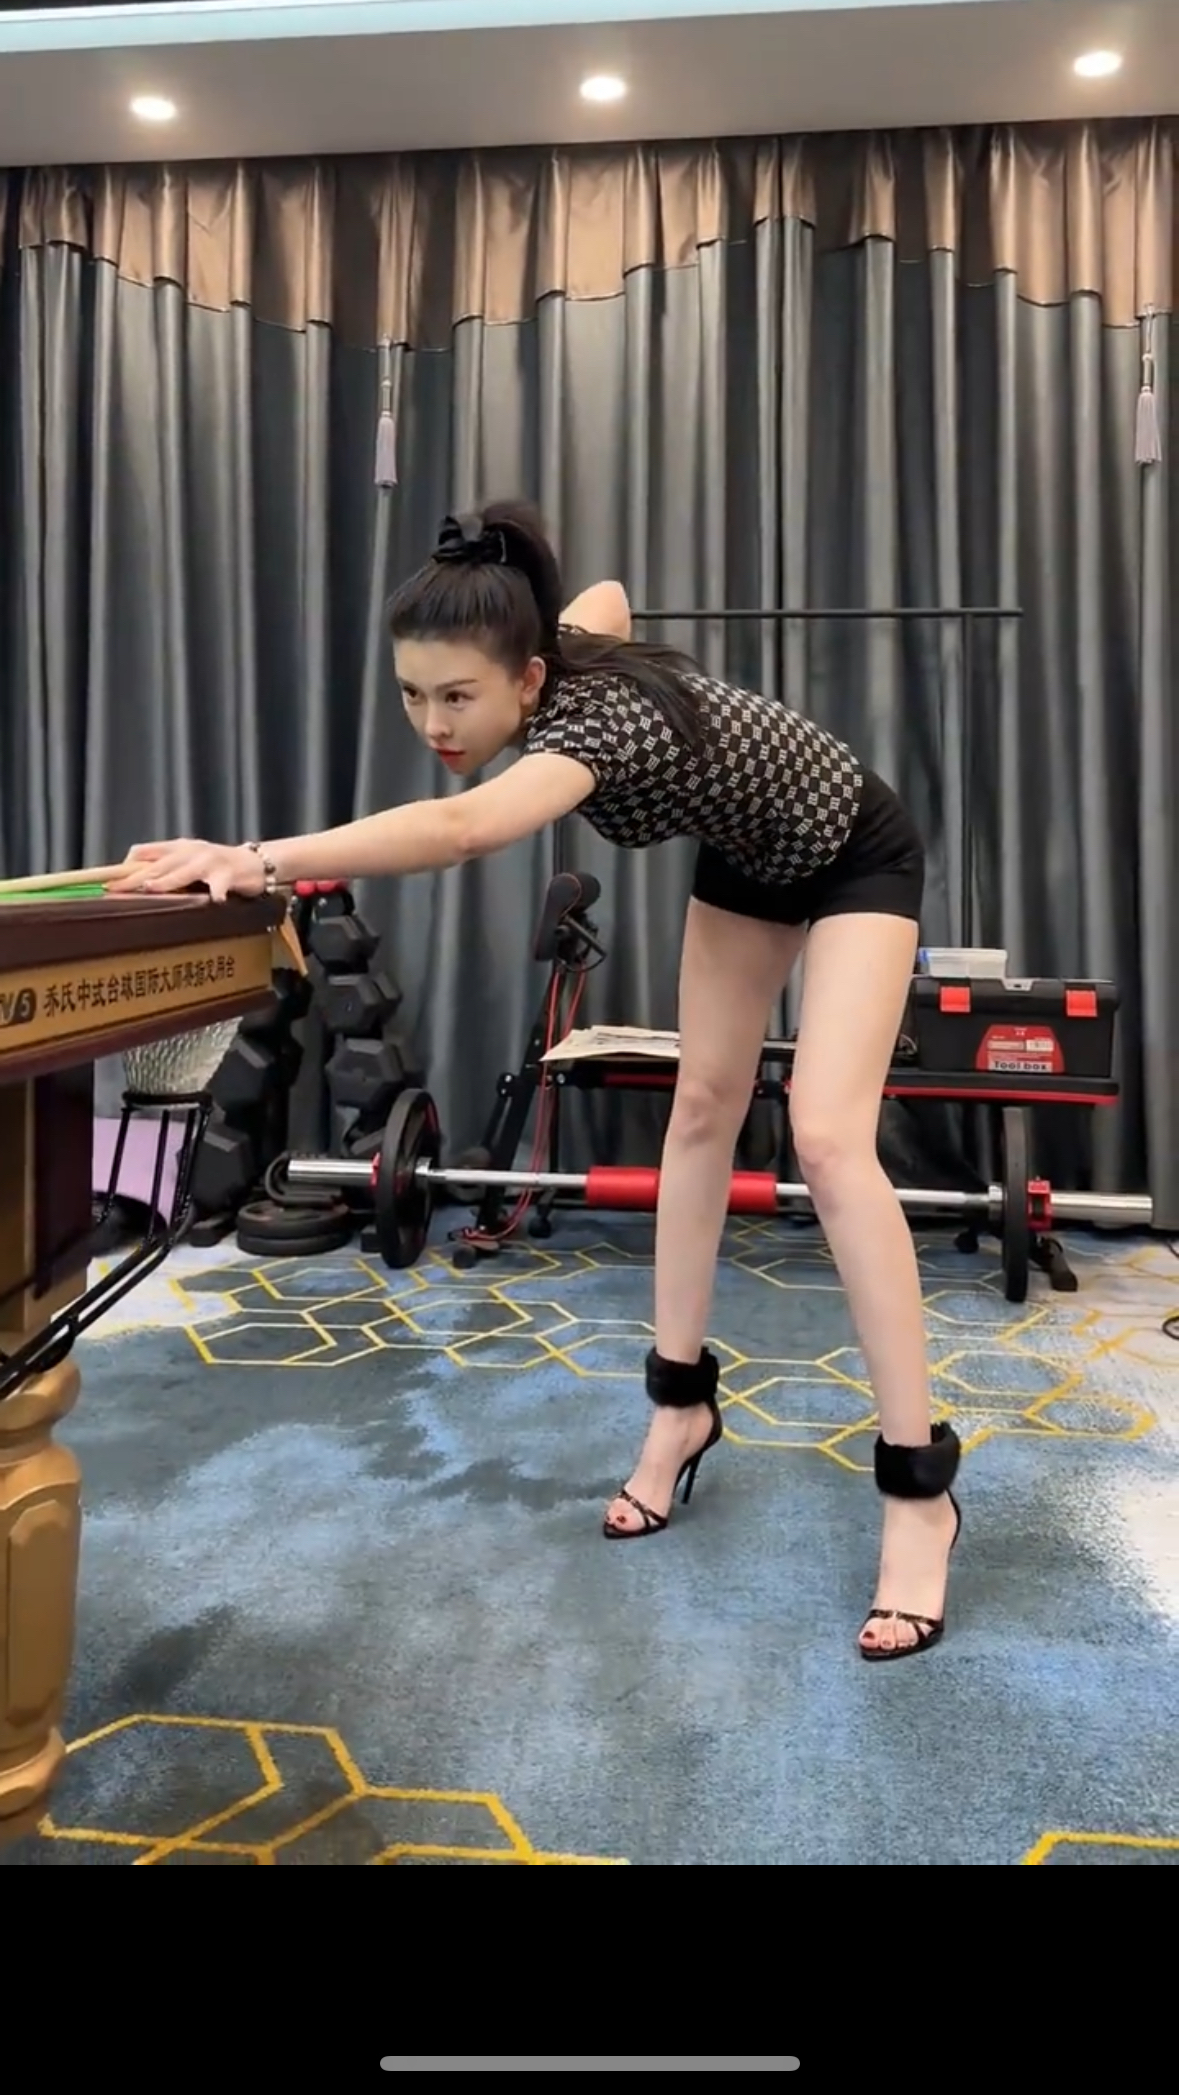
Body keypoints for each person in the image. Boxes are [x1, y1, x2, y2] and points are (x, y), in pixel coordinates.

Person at [117, 497, 962, 1661]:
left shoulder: (588, 730)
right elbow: (604, 597)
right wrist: (564, 616)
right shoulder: (559, 645)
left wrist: (256, 859)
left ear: (526, 680)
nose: (434, 722)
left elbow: (462, 831)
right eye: (413, 694)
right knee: (701, 1111)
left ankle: (920, 1491)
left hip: (856, 844)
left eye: (458, 697)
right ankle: (680, 1412)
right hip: (751, 859)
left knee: (824, 1137)